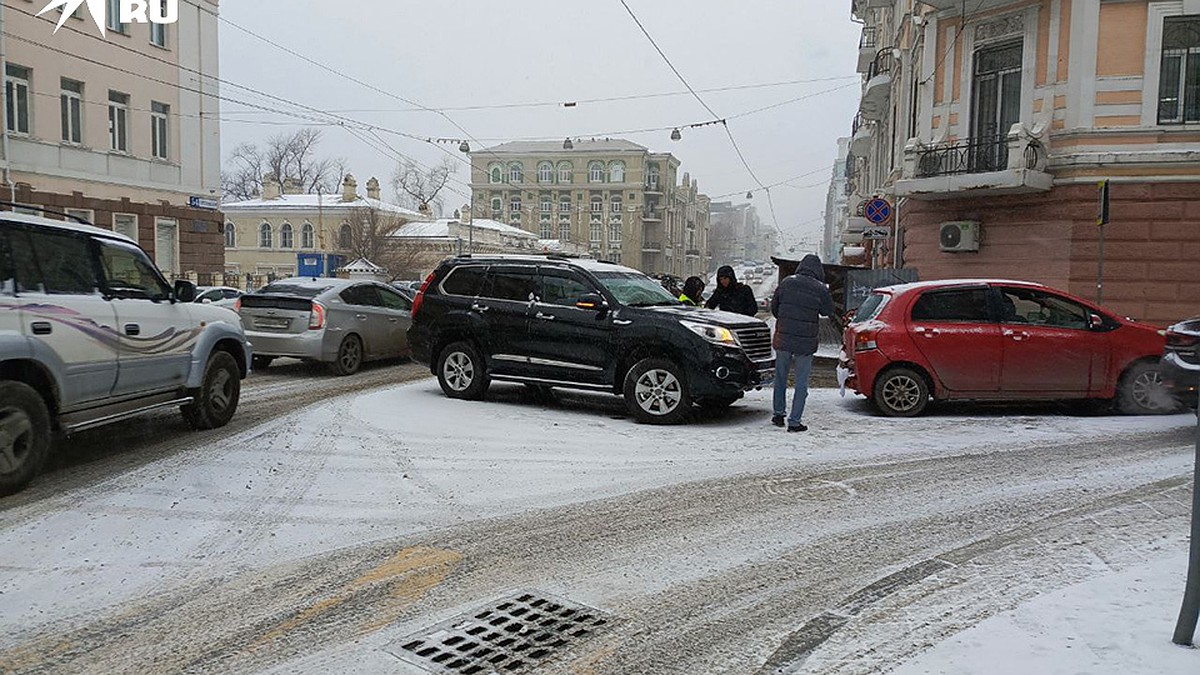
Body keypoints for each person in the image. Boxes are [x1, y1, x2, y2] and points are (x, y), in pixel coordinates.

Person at [770, 254, 841, 432]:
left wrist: (786, 319)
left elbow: (774, 308)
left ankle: (778, 414)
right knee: (801, 382)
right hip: (805, 341)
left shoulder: (786, 282)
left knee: (780, 378)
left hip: (784, 337)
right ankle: (794, 421)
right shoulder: (820, 288)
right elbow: (827, 311)